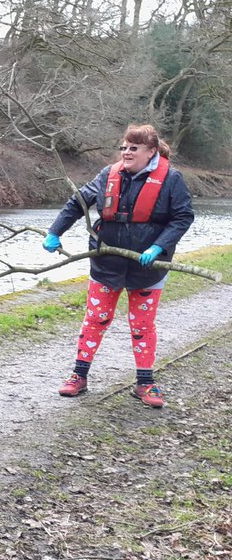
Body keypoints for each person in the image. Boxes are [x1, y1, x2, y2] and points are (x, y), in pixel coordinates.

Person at [43, 124, 194, 408]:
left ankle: (145, 383)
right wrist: (55, 231)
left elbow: (183, 217)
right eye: (124, 147)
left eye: (133, 148)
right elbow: (77, 204)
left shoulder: (172, 179)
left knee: (142, 325)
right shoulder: (107, 175)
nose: (126, 152)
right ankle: (79, 376)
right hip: (106, 263)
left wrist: (158, 247)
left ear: (151, 152)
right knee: (95, 319)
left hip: (149, 267)